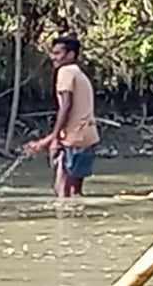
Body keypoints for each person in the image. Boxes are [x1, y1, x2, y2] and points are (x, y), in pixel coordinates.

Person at [23, 35, 99, 198]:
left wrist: (53, 139)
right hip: (88, 137)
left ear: (71, 55)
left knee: (64, 193)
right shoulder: (79, 74)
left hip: (73, 139)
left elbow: (66, 107)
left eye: (58, 53)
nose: (53, 57)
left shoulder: (65, 72)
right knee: (75, 193)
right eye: (53, 53)